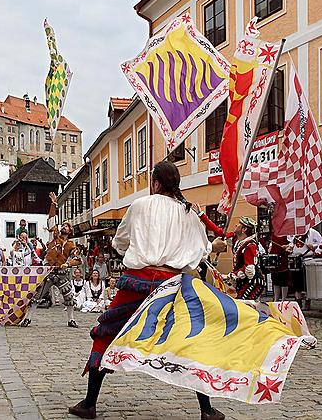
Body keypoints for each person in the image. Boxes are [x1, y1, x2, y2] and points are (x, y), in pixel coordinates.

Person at [68, 160, 220, 420]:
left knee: (106, 332)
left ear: (156, 183)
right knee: (189, 340)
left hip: (137, 281)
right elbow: (200, 250)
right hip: (172, 285)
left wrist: (139, 251)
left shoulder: (139, 206)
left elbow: (119, 242)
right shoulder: (188, 213)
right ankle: (207, 410)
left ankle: (89, 403)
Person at [21, 192, 81, 329]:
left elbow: (78, 259)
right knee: (37, 296)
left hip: (61, 273)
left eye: (66, 226)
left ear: (70, 231)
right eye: (63, 225)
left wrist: (68, 263)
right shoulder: (54, 236)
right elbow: (51, 219)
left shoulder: (71, 244)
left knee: (69, 297)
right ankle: (28, 319)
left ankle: (71, 320)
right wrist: (53, 204)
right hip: (48, 272)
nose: (63, 227)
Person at [226, 217, 265, 301]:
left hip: (253, 282)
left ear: (244, 229)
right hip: (245, 281)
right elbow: (220, 233)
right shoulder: (239, 242)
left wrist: (233, 275)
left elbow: (249, 268)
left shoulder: (250, 245)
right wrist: (202, 216)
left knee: (243, 305)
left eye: (239, 224)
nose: (236, 225)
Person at [288, 228, 322, 310]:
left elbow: (321, 244)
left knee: (307, 283)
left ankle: (307, 302)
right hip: (296, 260)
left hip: (308, 259)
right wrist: (289, 247)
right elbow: (292, 244)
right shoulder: (296, 232)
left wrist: (313, 246)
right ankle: (298, 302)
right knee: (296, 282)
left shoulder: (313, 232)